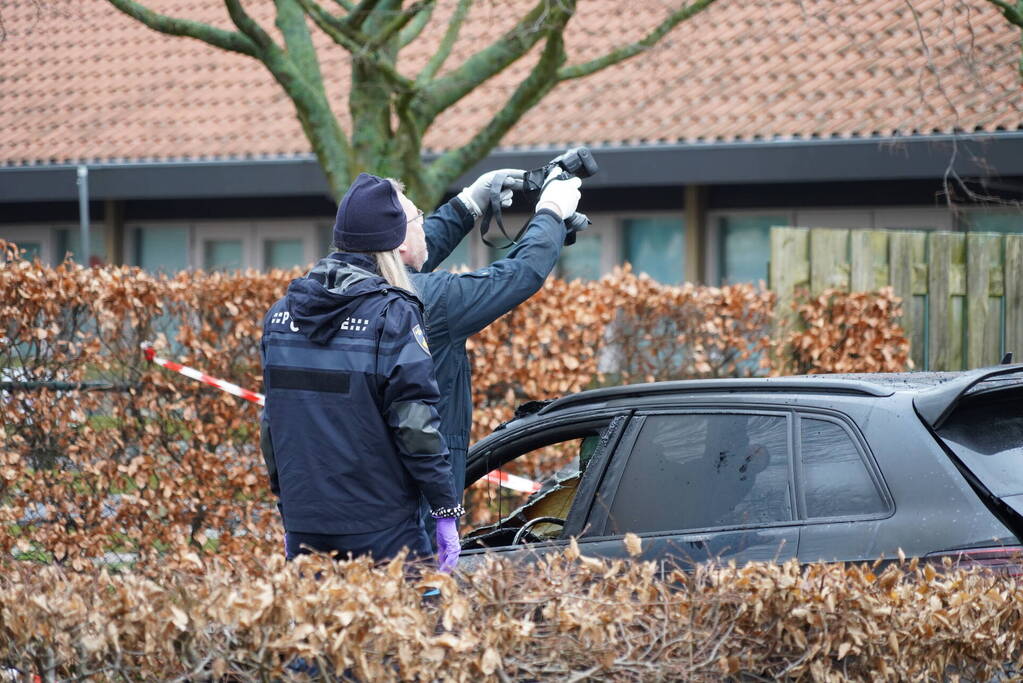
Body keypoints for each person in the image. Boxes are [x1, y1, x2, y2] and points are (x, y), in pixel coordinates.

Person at [259, 173, 463, 571]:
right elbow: (415, 425)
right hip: (382, 527)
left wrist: (288, 504)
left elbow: (273, 423)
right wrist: (445, 509)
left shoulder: (280, 316)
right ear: (392, 241)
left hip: (305, 523)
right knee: (419, 611)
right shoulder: (392, 314)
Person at [401, 167, 583, 538]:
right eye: (418, 218)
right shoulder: (428, 302)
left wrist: (469, 204)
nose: (424, 225)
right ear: (398, 243)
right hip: (413, 510)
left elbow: (403, 253)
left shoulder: (321, 292)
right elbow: (519, 274)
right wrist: (550, 210)